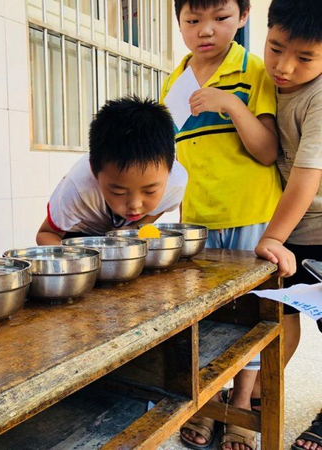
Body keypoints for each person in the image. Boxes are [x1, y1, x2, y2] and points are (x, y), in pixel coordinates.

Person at [161, 0, 283, 448]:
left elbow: (267, 151)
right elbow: (174, 160)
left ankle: (241, 408)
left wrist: (230, 104)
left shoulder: (255, 71)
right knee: (206, 319)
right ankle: (210, 403)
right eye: (193, 21)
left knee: (250, 315)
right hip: (197, 219)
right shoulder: (174, 82)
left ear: (243, 17)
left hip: (251, 213)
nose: (206, 30)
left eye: (220, 18)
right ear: (179, 22)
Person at [253, 1, 322, 449]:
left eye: (305, 57)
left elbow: (306, 177)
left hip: (314, 230)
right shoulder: (264, 83)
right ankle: (259, 395)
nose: (284, 67)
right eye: (276, 48)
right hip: (291, 230)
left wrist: (273, 236)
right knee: (282, 316)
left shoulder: (319, 98)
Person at [36, 96, 188, 245]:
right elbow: (46, 234)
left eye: (150, 191)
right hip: (79, 237)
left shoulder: (176, 183)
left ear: (169, 170)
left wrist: (132, 228)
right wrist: (77, 258)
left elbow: (162, 205)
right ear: (94, 170)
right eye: (118, 192)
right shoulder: (77, 189)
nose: (135, 205)